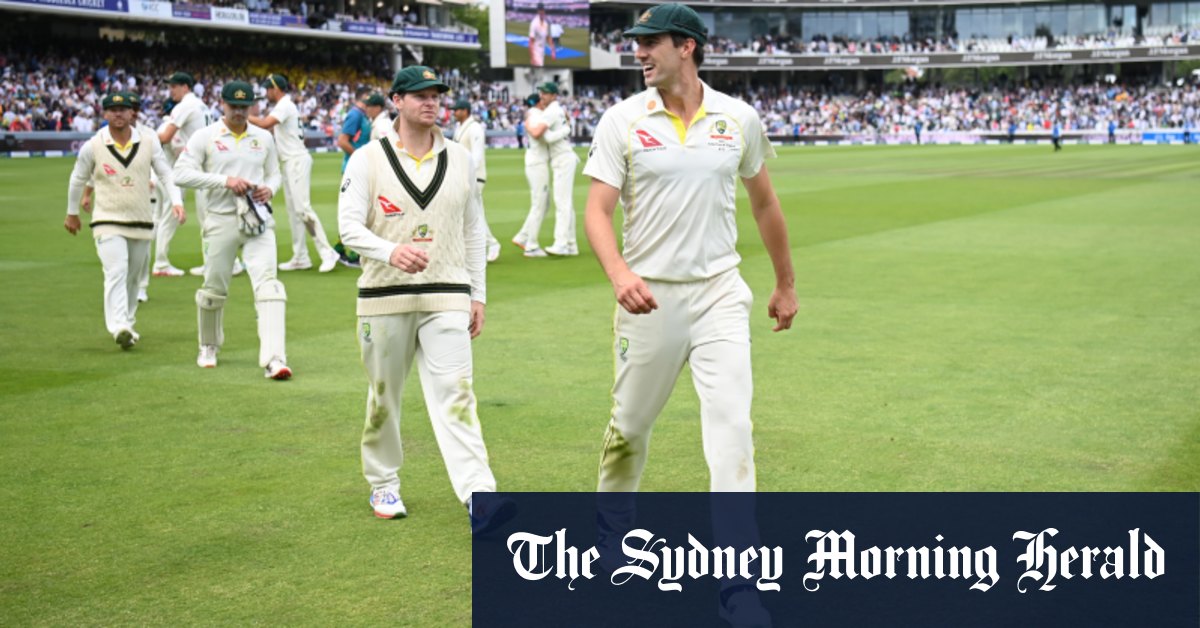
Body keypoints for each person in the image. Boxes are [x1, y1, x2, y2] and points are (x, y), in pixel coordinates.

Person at [584, 1, 797, 495]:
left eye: (650, 43)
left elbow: (765, 204)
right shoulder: (622, 120)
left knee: (732, 428)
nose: (639, 53)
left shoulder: (738, 117)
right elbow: (597, 211)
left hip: (719, 293)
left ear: (686, 47)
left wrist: (786, 283)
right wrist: (620, 275)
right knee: (630, 428)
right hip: (648, 296)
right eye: (637, 44)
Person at [337, 66, 512, 533]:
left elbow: (474, 231)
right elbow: (348, 227)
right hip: (383, 296)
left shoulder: (461, 158)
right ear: (397, 100)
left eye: (436, 95)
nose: (430, 102)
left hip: (447, 295)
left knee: (457, 396)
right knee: (383, 398)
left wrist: (479, 294)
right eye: (419, 95)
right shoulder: (366, 160)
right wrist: (391, 251)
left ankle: (479, 493)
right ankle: (383, 482)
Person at [173, 81, 291, 380]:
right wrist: (224, 181)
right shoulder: (205, 136)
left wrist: (269, 188)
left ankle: (274, 359)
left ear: (253, 106)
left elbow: (275, 173)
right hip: (221, 219)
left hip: (257, 220)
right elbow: (181, 174)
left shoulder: (263, 137)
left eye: (244, 106)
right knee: (214, 289)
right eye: (233, 106)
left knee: (270, 288)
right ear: (221, 104)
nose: (239, 112)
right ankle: (208, 346)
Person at [64, 91, 184, 349]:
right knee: (116, 271)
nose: (118, 114)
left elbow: (165, 173)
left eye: (124, 109)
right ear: (105, 113)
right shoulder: (93, 145)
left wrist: (177, 201)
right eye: (113, 109)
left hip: (141, 219)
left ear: (132, 112)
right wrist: (72, 212)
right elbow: (77, 178)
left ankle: (128, 323)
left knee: (132, 276)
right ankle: (118, 325)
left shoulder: (149, 141)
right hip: (107, 218)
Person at [250, 73, 339, 273]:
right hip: (290, 161)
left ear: (276, 89)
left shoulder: (284, 105)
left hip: (296, 160)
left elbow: (265, 124)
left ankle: (328, 253)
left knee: (303, 210)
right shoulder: (284, 105)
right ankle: (300, 257)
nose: (267, 93)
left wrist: (240, 114)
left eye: (268, 89)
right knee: (294, 213)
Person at [160, 71, 244, 278]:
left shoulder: (185, 106)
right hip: (207, 165)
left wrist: (142, 137)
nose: (171, 91)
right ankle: (226, 261)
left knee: (204, 218)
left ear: (185, 87)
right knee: (212, 215)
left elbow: (166, 136)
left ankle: (214, 263)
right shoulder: (202, 105)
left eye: (174, 86)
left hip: (195, 167)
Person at [526, 82, 578, 256]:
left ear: (554, 95)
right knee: (566, 202)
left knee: (562, 202)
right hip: (563, 157)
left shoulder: (551, 110)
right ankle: (571, 244)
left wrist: (565, 130)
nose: (542, 95)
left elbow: (544, 136)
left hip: (562, 158)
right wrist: (566, 129)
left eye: (546, 93)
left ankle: (561, 243)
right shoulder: (558, 109)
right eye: (541, 92)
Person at [452, 98, 502, 263]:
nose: (454, 113)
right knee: (468, 214)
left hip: (474, 177)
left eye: (457, 110)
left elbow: (477, 156)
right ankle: (477, 247)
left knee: (474, 214)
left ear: (465, 111)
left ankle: (491, 243)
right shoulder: (460, 128)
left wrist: (467, 176)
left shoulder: (475, 128)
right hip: (461, 176)